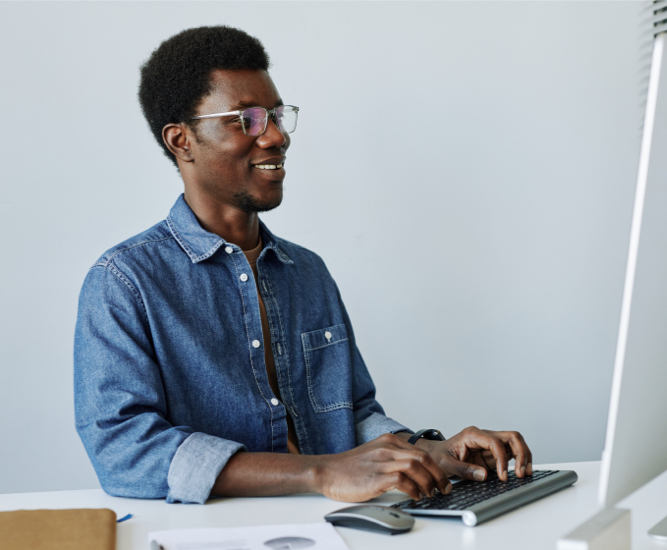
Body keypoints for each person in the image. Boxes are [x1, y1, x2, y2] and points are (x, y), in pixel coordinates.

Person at [74, 25, 532, 505]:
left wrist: (428, 451)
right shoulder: (124, 283)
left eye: (275, 115)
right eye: (246, 119)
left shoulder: (307, 272)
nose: (275, 136)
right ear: (181, 140)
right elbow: (124, 451)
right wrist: (321, 473)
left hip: (340, 522)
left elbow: (348, 413)